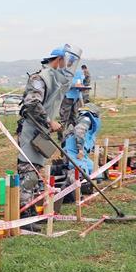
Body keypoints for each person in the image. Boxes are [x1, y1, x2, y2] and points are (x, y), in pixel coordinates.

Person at [16, 44, 82, 226]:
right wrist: (48, 121)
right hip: (31, 131)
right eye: (67, 62)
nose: (68, 66)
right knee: (28, 174)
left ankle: (31, 212)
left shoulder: (56, 81)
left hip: (42, 132)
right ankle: (23, 217)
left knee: (36, 174)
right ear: (58, 60)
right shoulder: (39, 78)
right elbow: (32, 104)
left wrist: (54, 122)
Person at [63, 103, 101, 178]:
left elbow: (88, 139)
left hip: (81, 154)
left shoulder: (88, 121)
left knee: (98, 174)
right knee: (81, 173)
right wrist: (80, 149)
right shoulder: (86, 119)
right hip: (74, 153)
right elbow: (79, 132)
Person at [59, 71, 90, 137]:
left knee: (73, 117)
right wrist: (75, 85)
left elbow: (81, 85)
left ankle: (72, 134)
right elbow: (66, 84)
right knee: (64, 118)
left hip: (75, 98)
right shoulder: (69, 73)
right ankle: (61, 136)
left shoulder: (80, 74)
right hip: (68, 97)